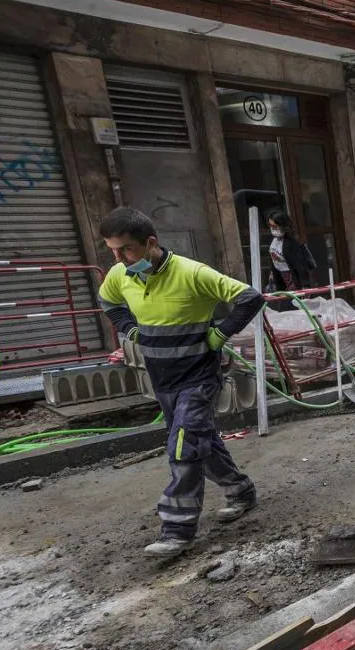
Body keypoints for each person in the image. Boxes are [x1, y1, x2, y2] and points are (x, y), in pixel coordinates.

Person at [97, 207, 265, 557]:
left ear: (150, 243)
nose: (119, 258)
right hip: (163, 380)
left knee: (184, 446)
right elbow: (109, 302)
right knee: (199, 442)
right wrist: (129, 330)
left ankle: (176, 529)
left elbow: (250, 297)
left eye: (126, 249)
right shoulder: (119, 275)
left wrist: (219, 334)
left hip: (198, 377)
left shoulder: (192, 273)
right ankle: (240, 491)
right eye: (112, 250)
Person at [266, 211, 315, 291]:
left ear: (282, 225)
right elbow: (272, 259)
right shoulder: (273, 242)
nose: (272, 229)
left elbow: (300, 265)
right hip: (280, 277)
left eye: (275, 226)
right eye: (270, 226)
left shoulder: (292, 243)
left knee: (292, 301)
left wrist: (305, 285)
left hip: (292, 277)